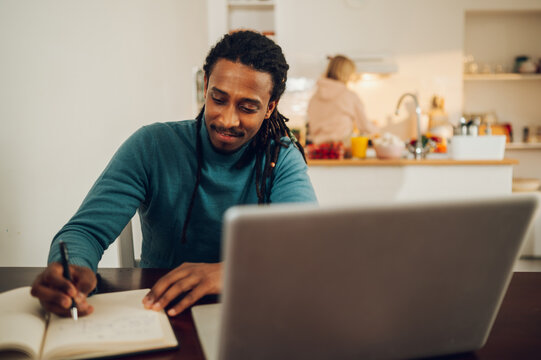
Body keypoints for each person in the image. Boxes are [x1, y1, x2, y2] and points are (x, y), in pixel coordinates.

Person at [30, 30, 317, 318]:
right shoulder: (152, 145)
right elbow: (85, 232)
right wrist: (73, 271)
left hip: (249, 311)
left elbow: (306, 251)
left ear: (270, 107)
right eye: (218, 99)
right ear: (205, 86)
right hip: (158, 310)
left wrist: (231, 273)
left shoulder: (281, 157)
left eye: (247, 107)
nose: (227, 119)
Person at [306, 55, 377, 145]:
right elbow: (365, 127)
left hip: (318, 150)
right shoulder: (349, 96)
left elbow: (311, 125)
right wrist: (379, 130)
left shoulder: (314, 98)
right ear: (347, 74)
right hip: (341, 148)